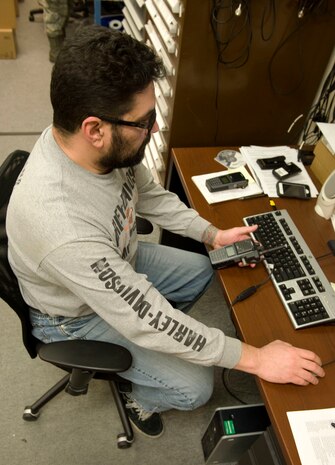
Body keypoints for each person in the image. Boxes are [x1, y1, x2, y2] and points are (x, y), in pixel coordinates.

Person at [6, 25, 325, 439]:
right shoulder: (64, 227)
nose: (154, 129)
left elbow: (148, 194)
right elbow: (147, 315)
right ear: (95, 129)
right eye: (144, 122)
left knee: (200, 269)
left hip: (119, 259)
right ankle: (145, 395)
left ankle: (153, 355)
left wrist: (211, 233)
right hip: (73, 318)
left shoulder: (91, 148)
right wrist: (257, 360)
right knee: (196, 387)